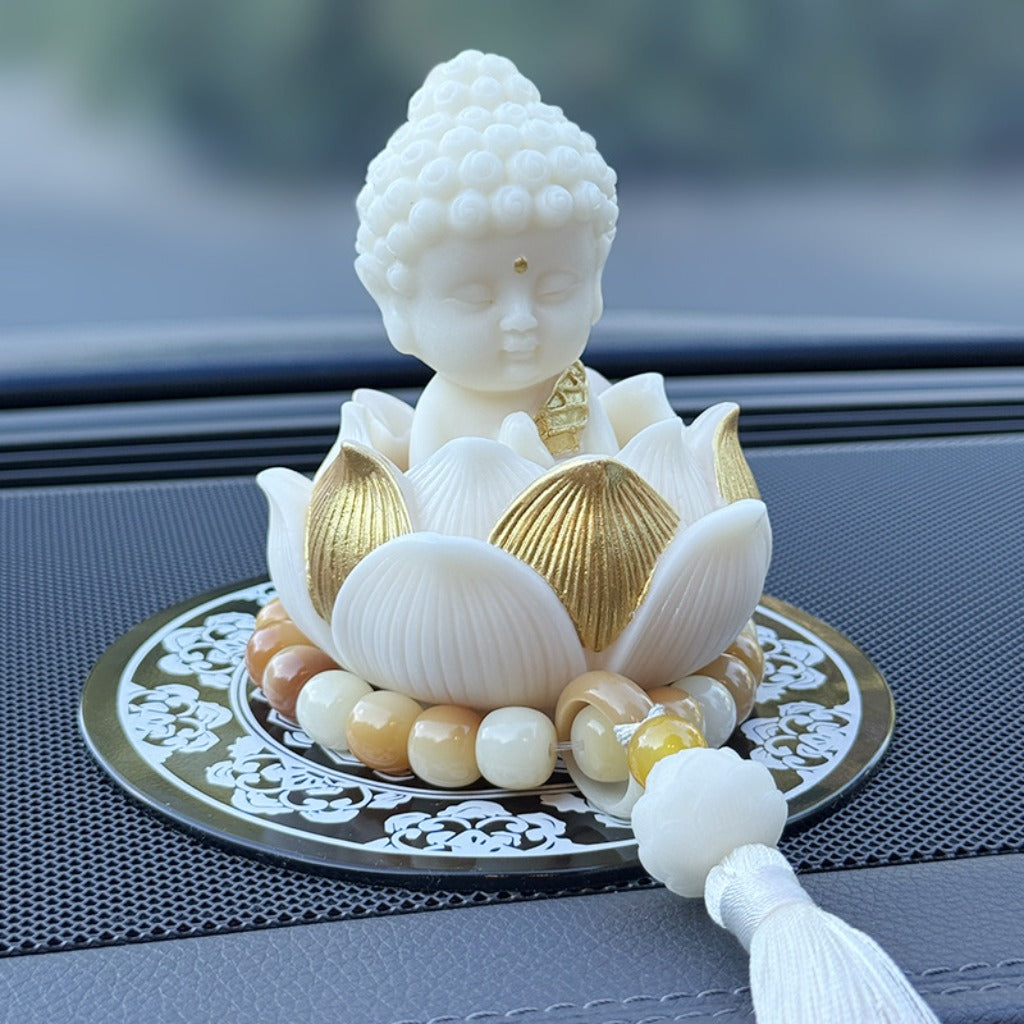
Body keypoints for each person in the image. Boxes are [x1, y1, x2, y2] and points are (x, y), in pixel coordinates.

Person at [353, 49, 624, 466]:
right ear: (396, 306)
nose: (522, 320)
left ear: (595, 281)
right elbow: (436, 496)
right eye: (476, 298)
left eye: (554, 290)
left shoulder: (578, 391)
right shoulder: (443, 412)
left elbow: (611, 479)